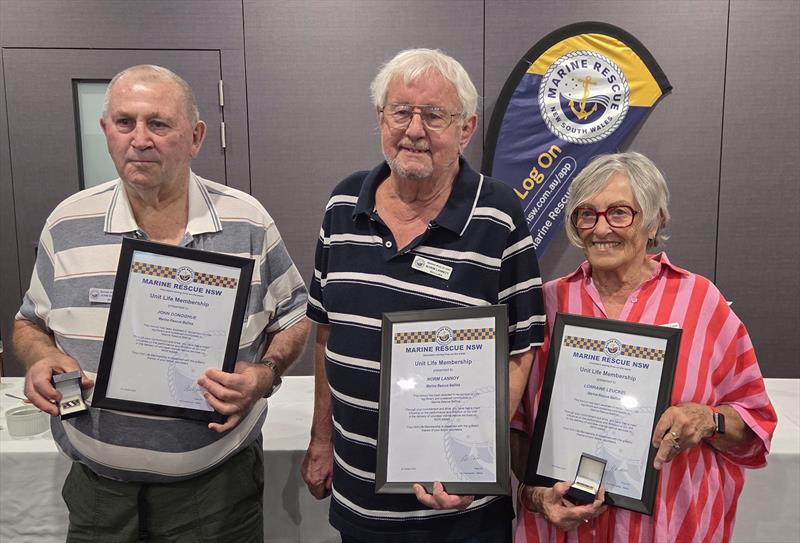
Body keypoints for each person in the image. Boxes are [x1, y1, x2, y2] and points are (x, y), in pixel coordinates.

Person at [14, 65, 309, 542]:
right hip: (98, 496)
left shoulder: (246, 221)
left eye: (158, 123)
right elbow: (30, 323)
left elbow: (294, 317)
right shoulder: (66, 223)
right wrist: (41, 357)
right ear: (106, 130)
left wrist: (265, 375)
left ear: (195, 137)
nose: (140, 139)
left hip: (215, 494)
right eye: (124, 122)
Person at [300, 48, 545, 543]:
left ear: (466, 129)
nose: (414, 130)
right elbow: (326, 332)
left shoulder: (499, 215)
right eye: (401, 112)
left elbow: (521, 350)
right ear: (380, 118)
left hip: (460, 514)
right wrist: (321, 438)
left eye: (434, 115)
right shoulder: (343, 204)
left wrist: (475, 467)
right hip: (360, 501)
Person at [512, 152, 777, 542]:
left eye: (619, 212)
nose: (601, 228)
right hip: (562, 530)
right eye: (587, 214)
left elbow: (755, 425)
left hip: (668, 529)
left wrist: (709, 420)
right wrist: (536, 496)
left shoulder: (700, 302)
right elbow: (517, 426)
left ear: (655, 221)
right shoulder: (548, 303)